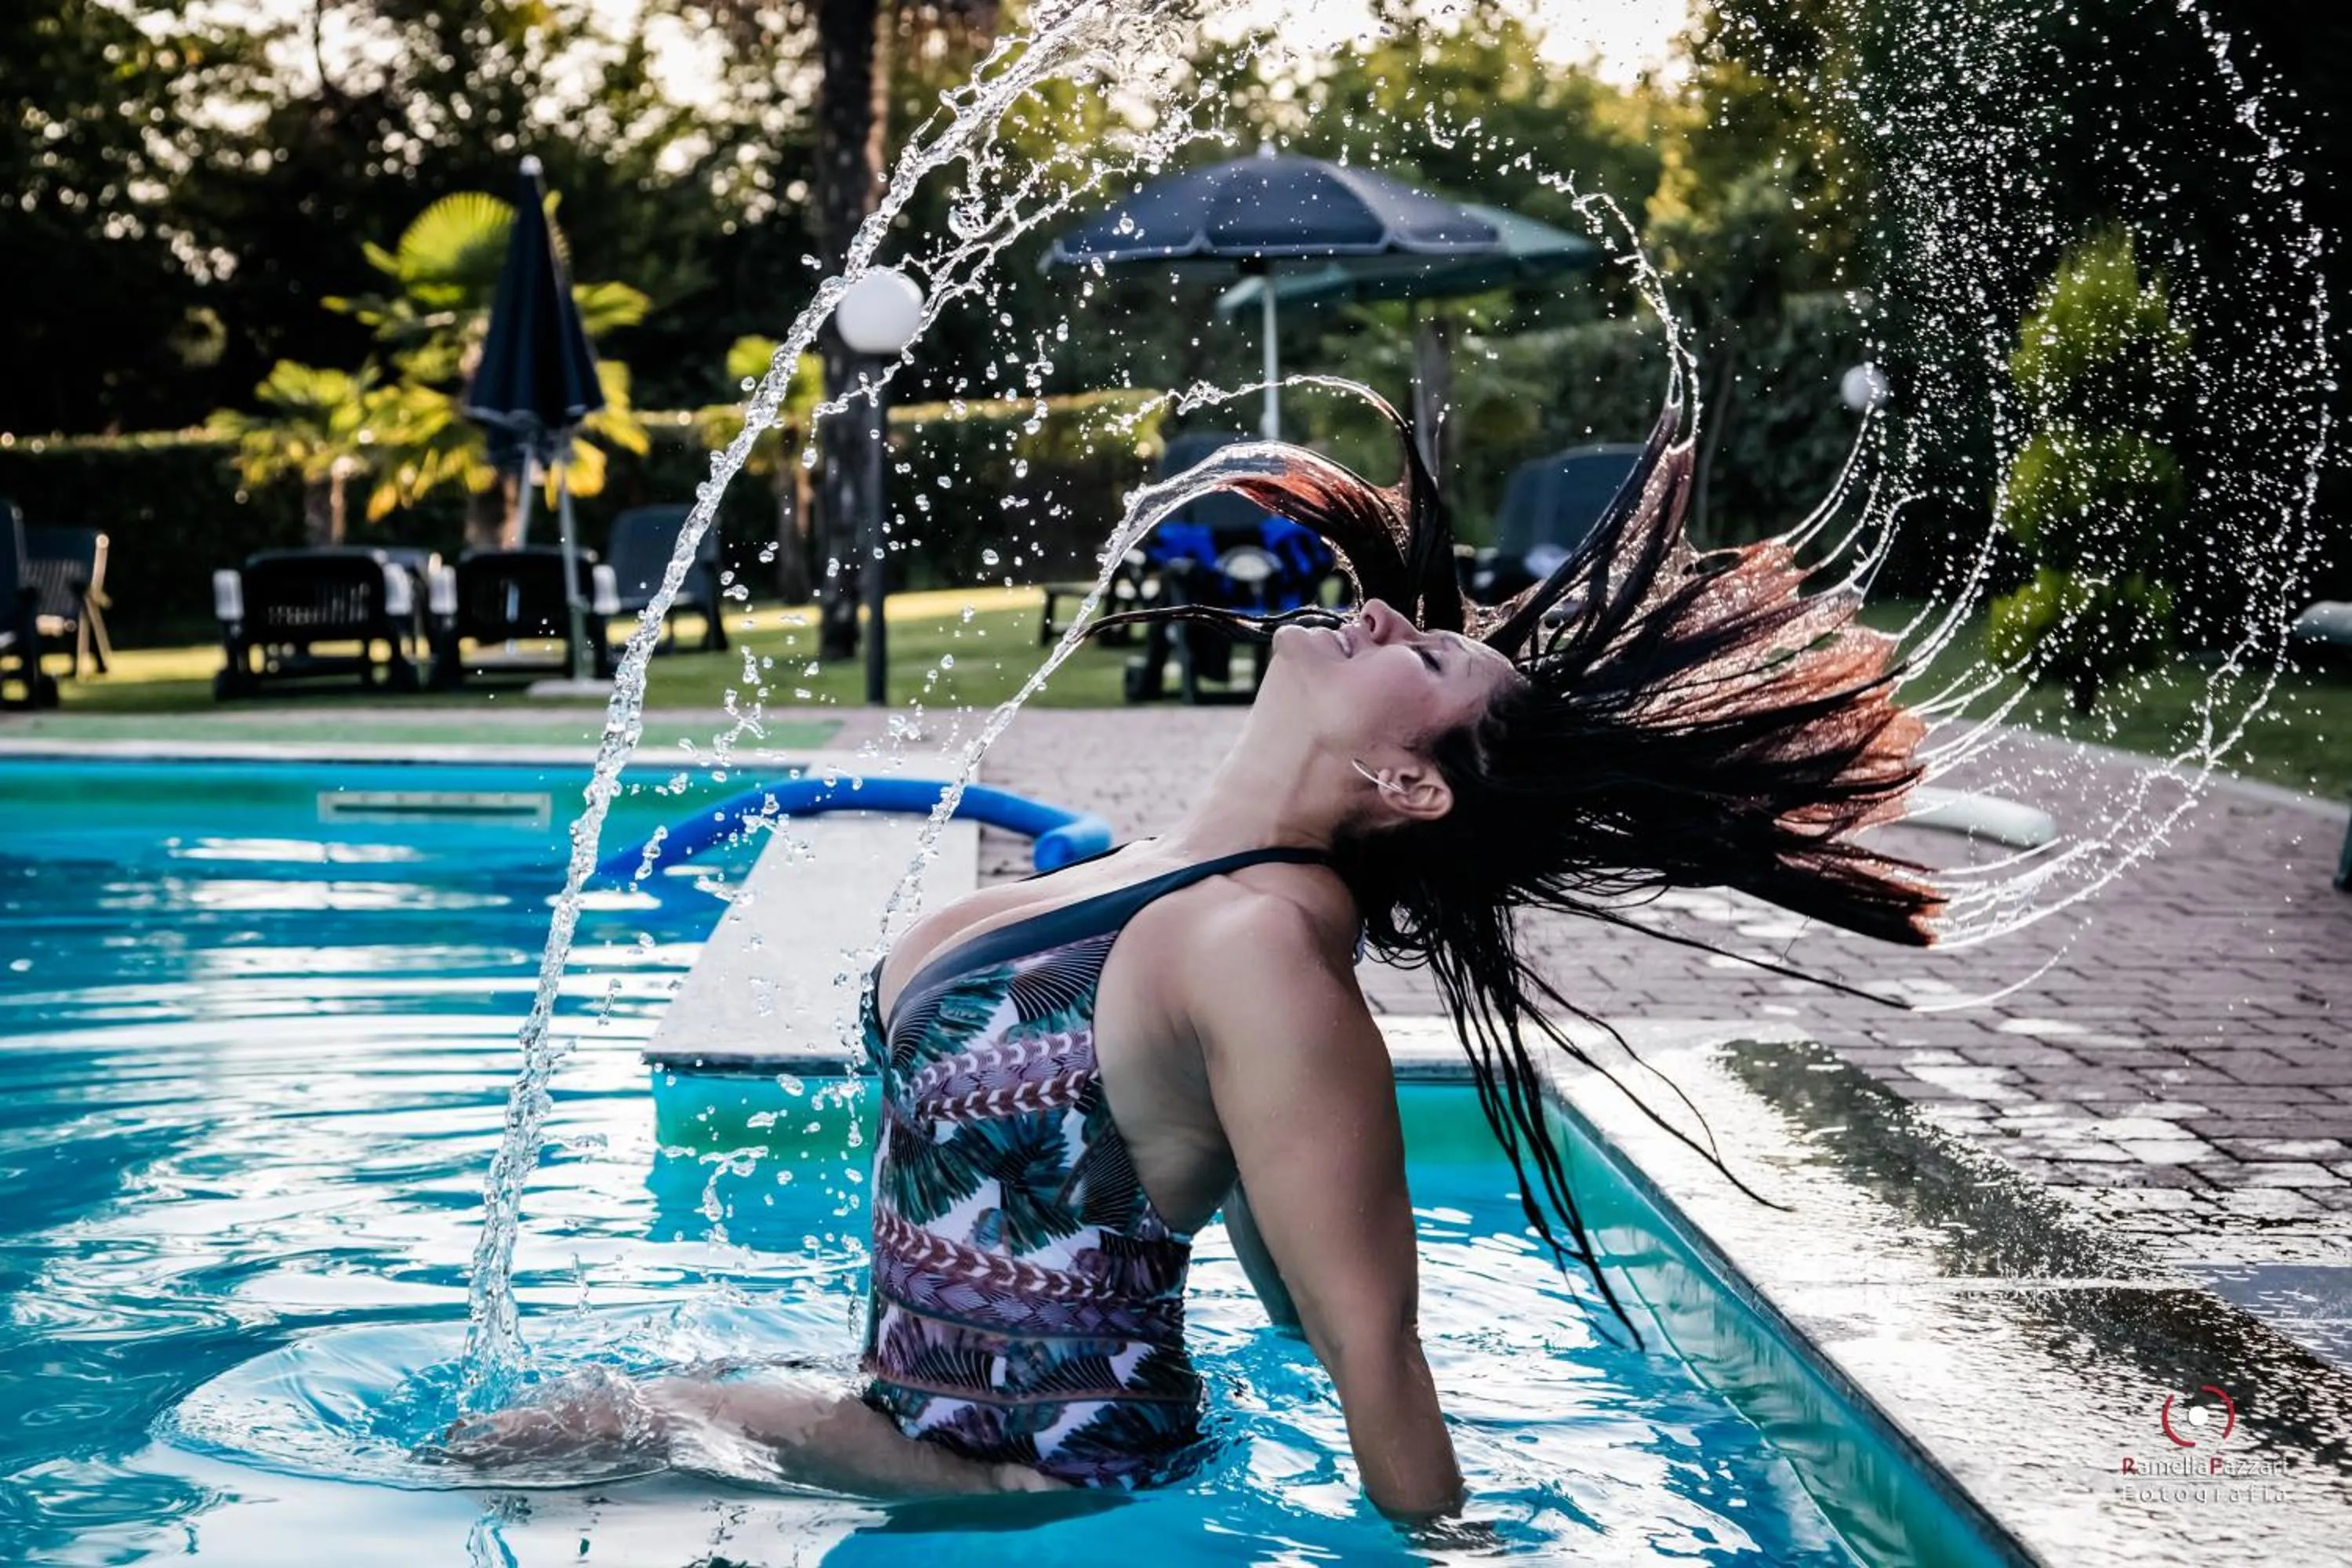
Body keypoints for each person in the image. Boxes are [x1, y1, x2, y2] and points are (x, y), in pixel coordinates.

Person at [442, 380, 1949, 1523]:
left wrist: (1451, 1550)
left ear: (1411, 785)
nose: (1377, 616)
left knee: (497, 1458)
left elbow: (1372, 1358)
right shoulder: (1153, 877)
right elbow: (1270, 1261)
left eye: (1421, 658)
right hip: (908, 1422)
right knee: (521, 1440)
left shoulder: (1262, 952)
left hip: (1025, 1480)